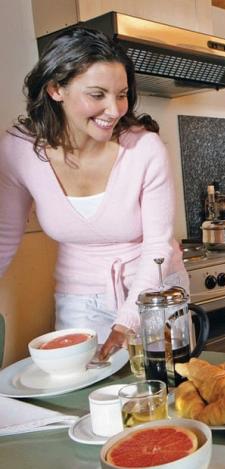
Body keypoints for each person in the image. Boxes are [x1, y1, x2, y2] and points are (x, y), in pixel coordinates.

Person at [0, 27, 187, 360]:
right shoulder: (19, 151)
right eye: (97, 94)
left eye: (121, 94)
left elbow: (157, 246)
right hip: (79, 298)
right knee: (87, 395)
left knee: (162, 392)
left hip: (155, 290)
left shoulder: (144, 149)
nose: (114, 110)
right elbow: (4, 238)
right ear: (56, 89)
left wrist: (126, 323)